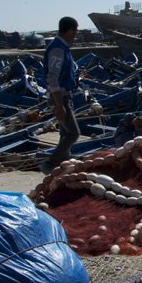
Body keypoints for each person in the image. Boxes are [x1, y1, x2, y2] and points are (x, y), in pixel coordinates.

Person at [42, 16, 80, 174]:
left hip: (65, 96)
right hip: (60, 97)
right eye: (75, 31)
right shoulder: (58, 48)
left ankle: (63, 166)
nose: (75, 34)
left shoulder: (62, 47)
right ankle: (50, 164)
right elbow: (52, 77)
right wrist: (59, 105)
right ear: (70, 30)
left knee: (64, 133)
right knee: (73, 133)